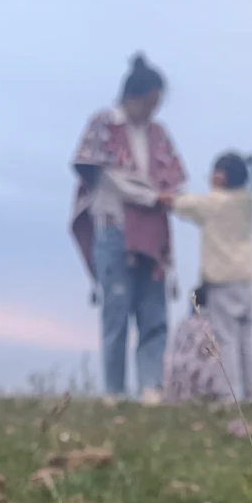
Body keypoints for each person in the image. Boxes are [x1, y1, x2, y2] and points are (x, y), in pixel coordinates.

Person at [70, 54, 186, 405]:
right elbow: (106, 176)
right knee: (116, 308)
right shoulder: (104, 124)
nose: (153, 109)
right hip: (113, 227)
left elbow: (174, 180)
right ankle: (114, 392)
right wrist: (150, 195)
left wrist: (160, 198)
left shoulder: (159, 133)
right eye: (150, 101)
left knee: (153, 309)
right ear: (134, 96)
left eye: (158, 103)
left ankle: (152, 388)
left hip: (152, 234)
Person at [171, 151, 252, 402]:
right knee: (245, 337)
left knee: (225, 339)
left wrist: (167, 196)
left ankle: (229, 395)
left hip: (222, 280)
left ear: (220, 176)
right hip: (246, 278)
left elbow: (181, 204)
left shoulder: (214, 203)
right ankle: (251, 393)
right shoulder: (247, 202)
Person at [162, 284, 227, 402]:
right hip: (205, 386)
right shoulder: (215, 325)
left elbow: (170, 356)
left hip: (179, 385)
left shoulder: (183, 324)